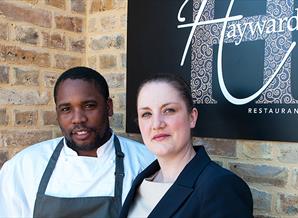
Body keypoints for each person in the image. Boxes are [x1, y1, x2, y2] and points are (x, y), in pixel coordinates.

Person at [0, 66, 155, 218]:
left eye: (89, 106)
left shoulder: (146, 165)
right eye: (66, 109)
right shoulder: (25, 167)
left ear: (109, 107)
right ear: (57, 113)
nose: (78, 118)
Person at [119, 74, 253, 218]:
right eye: (146, 114)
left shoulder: (221, 187)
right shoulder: (142, 180)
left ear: (192, 117)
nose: (157, 124)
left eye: (169, 110)